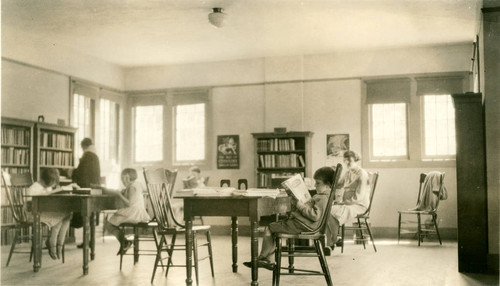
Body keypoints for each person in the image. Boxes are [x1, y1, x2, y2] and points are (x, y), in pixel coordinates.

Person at [243, 166, 336, 270]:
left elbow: (314, 216)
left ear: (328, 184)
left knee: (270, 227)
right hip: (305, 224)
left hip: (304, 225)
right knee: (276, 226)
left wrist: (300, 205)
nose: (315, 185)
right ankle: (268, 259)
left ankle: (264, 258)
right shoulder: (324, 196)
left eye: (318, 183)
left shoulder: (323, 198)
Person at [26, 168, 71, 260]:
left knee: (68, 213)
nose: (53, 186)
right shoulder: (34, 188)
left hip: (44, 213)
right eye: (52, 183)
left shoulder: (47, 188)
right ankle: (53, 243)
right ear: (46, 180)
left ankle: (59, 244)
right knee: (61, 216)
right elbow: (29, 206)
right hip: (33, 214)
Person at [103, 168, 150, 254]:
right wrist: (124, 192)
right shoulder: (137, 184)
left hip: (133, 213)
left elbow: (129, 203)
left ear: (127, 177)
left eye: (123, 178)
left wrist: (119, 194)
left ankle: (124, 241)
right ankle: (125, 241)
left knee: (108, 224)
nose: (122, 181)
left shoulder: (132, 187)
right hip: (138, 212)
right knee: (112, 219)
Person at [328, 150, 370, 246]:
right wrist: (335, 174)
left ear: (356, 160)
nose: (346, 162)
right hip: (348, 203)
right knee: (329, 210)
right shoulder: (348, 172)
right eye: (345, 160)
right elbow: (338, 185)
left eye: (349, 160)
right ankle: (332, 239)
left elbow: (359, 196)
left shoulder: (362, 174)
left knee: (334, 211)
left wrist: (344, 202)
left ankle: (332, 240)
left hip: (359, 205)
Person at [71, 137, 101, 248]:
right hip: (95, 190)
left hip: (86, 190)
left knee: (85, 215)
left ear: (84, 146)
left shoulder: (86, 156)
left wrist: (72, 172)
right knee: (91, 216)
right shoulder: (95, 156)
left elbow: (80, 174)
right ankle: (90, 241)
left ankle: (87, 241)